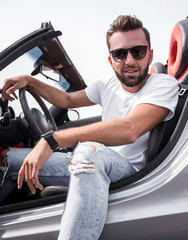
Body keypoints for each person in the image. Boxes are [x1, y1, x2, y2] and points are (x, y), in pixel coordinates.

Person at [0, 15, 179, 240]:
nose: (130, 60)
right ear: (110, 59)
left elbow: (130, 129)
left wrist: (52, 140)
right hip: (92, 163)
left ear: (150, 54)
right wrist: (30, 80)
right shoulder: (107, 85)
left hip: (128, 172)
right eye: (120, 54)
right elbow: (67, 101)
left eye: (139, 51)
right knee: (7, 159)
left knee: (88, 152)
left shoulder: (163, 84)